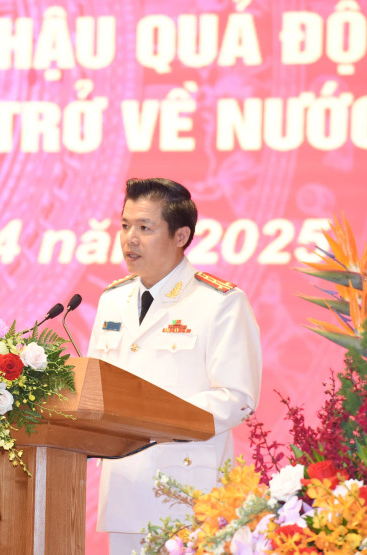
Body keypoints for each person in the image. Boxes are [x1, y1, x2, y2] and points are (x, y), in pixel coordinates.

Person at [87, 177, 262, 554]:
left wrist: (157, 418)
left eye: (144, 228)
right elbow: (95, 387)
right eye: (125, 225)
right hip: (123, 492)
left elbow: (238, 397)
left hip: (188, 496)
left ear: (181, 236)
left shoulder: (219, 302)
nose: (129, 238)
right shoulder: (112, 300)